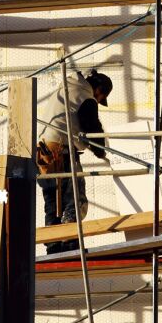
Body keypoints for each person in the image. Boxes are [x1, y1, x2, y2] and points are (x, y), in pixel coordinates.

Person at [37, 68, 112, 253]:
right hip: (62, 152)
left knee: (53, 202)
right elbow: (92, 129)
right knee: (75, 201)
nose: (98, 101)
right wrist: (102, 152)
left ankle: (54, 246)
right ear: (99, 89)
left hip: (43, 152)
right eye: (101, 97)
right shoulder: (85, 97)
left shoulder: (67, 89)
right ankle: (70, 244)